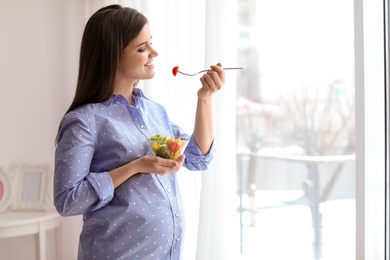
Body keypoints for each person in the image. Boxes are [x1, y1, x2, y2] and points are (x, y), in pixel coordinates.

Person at [54, 4, 225, 260]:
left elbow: (198, 157)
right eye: (142, 48)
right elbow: (67, 201)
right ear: (112, 55)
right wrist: (136, 166)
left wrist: (205, 99)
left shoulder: (155, 112)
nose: (154, 53)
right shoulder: (84, 121)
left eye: (151, 43)